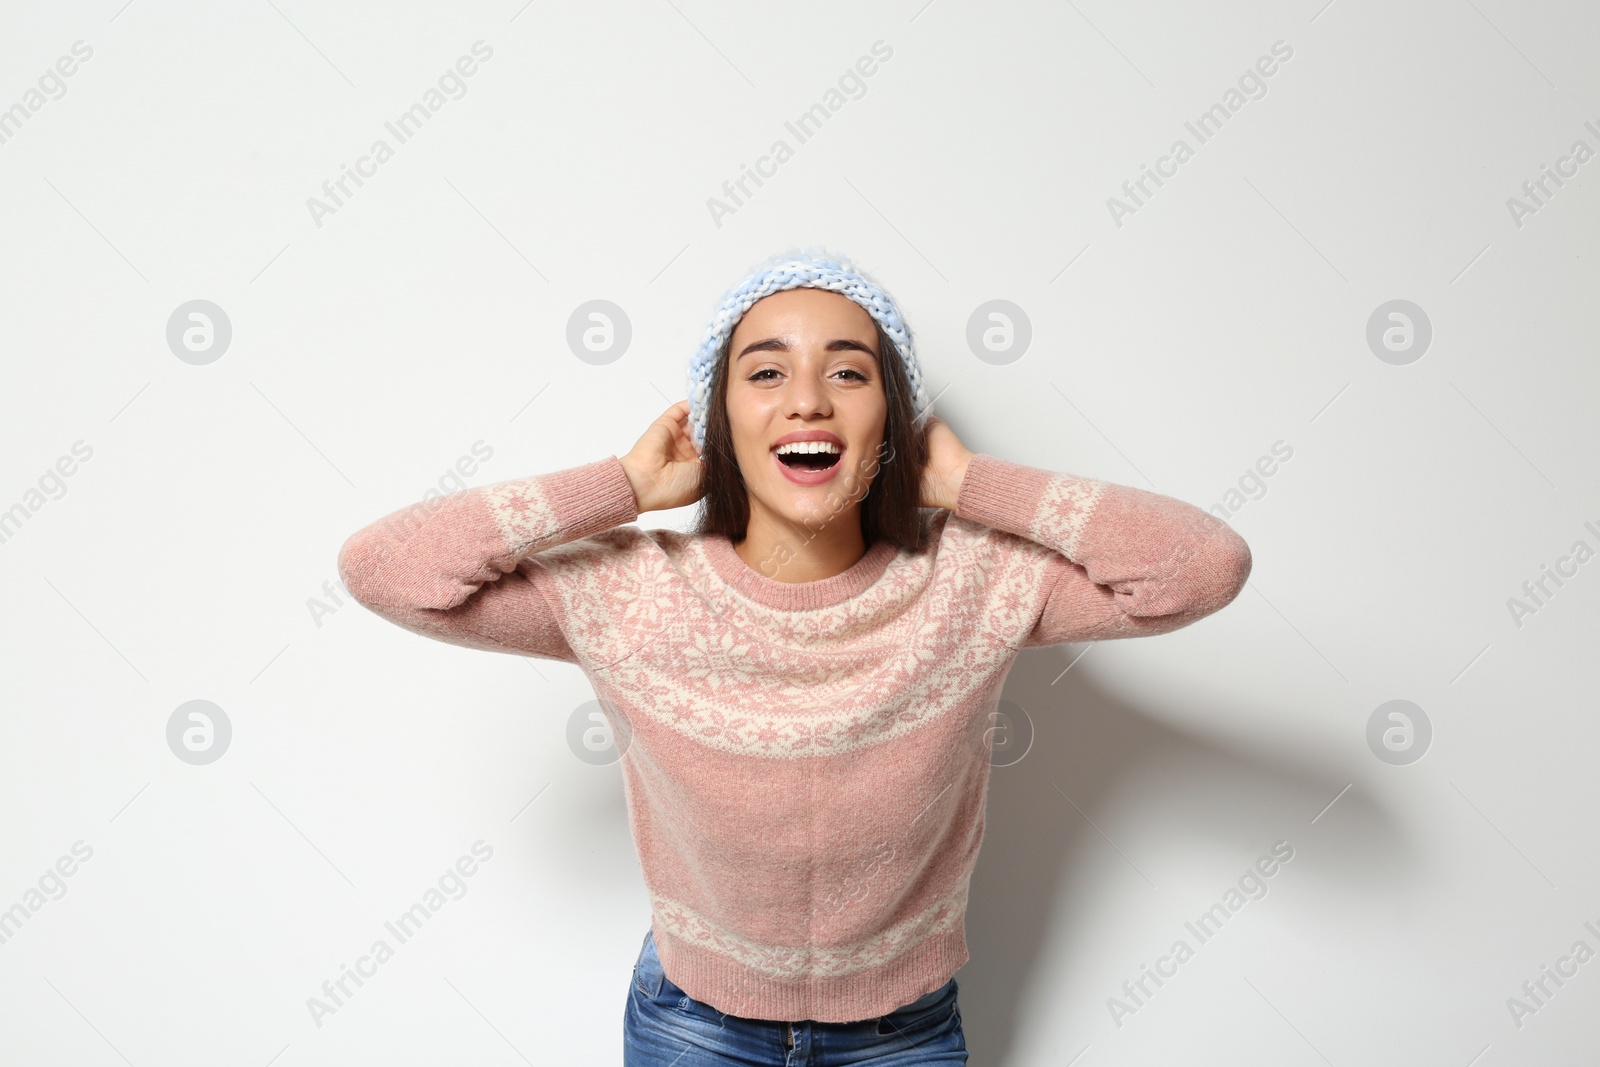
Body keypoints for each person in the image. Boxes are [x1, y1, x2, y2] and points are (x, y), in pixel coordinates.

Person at [336, 252, 1253, 1065]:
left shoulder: (973, 580)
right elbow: (387, 570)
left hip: (906, 1036)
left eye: (849, 373)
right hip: (690, 1026)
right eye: (765, 370)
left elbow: (1200, 568)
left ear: (892, 415)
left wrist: (968, 481)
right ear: (717, 419)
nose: (807, 398)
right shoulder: (629, 592)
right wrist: (622, 486)